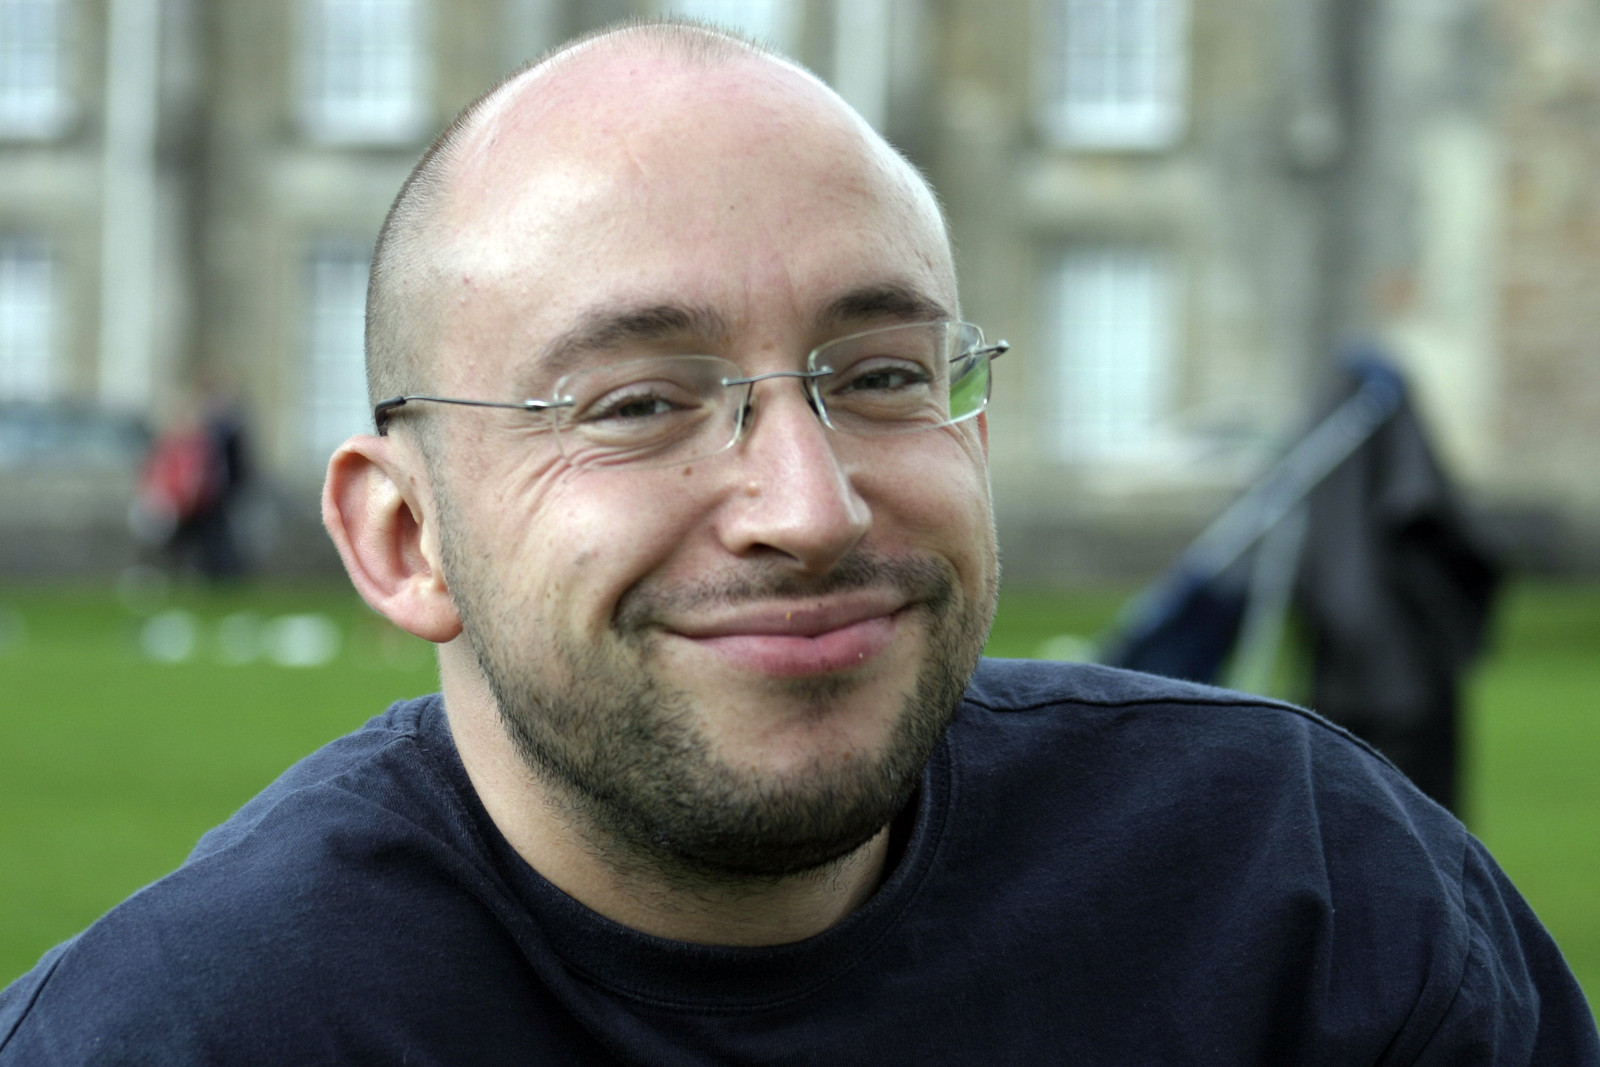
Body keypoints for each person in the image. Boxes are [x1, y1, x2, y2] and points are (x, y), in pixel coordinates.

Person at [2, 20, 1595, 1064]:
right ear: (403, 536)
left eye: (883, 376)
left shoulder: (1303, 903)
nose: (810, 506)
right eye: (637, 404)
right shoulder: (182, 1036)